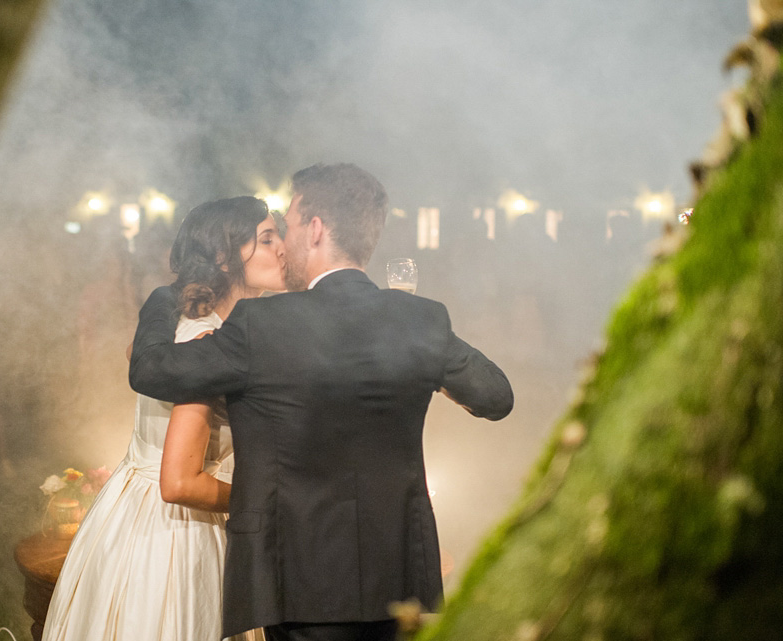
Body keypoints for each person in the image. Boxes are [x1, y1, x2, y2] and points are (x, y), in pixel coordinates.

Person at [129, 163, 514, 641]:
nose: (283, 242)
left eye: (287, 226)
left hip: (297, 579)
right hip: (396, 578)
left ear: (314, 230)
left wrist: (165, 299)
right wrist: (422, 360)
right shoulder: (421, 319)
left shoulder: (260, 324)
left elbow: (151, 371)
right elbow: (496, 397)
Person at [42, 196, 284, 641]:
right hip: (178, 536)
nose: (282, 248)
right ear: (223, 257)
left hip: (129, 514)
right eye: (267, 239)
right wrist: (273, 500)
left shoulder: (185, 326)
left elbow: (134, 353)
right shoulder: (205, 344)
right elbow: (180, 483)